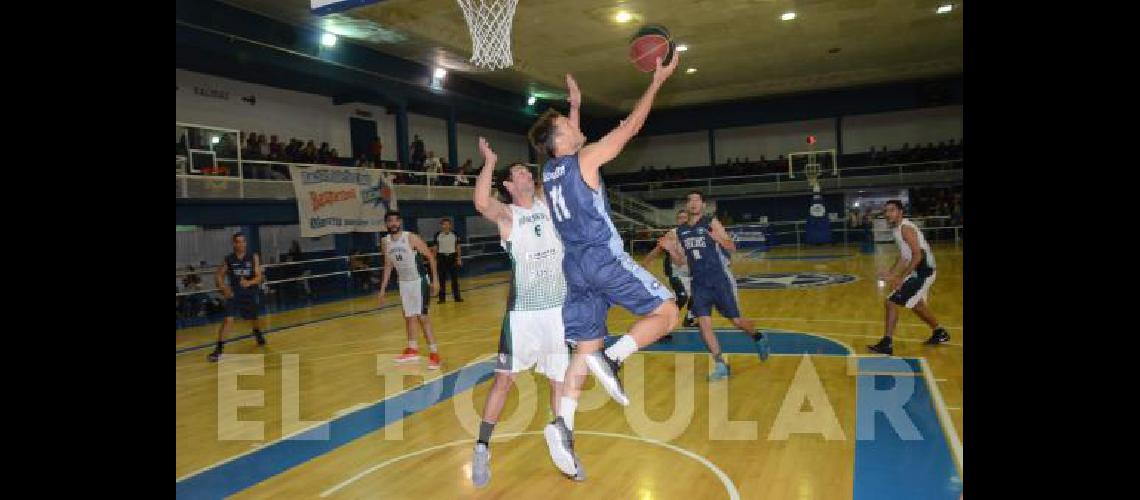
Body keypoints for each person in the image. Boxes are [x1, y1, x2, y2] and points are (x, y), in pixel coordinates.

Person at [529, 57, 681, 478]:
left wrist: (573, 107)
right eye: (569, 122)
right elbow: (630, 127)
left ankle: (562, 426)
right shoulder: (586, 160)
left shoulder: (549, 172)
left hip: (574, 269)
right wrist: (656, 82)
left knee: (584, 350)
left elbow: (567, 147)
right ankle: (615, 359)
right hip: (602, 258)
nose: (579, 127)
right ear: (560, 136)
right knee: (668, 312)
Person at [469, 137, 570, 486]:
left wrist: (573, 112)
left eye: (528, 170)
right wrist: (489, 162)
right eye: (518, 173)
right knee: (504, 380)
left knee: (560, 379)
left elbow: (570, 162)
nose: (526, 174)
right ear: (510, 186)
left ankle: (564, 445)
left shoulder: (547, 204)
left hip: (557, 310)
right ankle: (482, 446)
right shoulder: (509, 215)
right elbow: (481, 201)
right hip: (524, 313)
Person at [676, 191, 770, 380]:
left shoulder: (711, 223)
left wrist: (719, 239)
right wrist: (672, 251)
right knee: (704, 325)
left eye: (697, 200)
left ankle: (758, 336)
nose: (693, 203)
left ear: (703, 205)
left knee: (736, 321)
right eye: (690, 200)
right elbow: (681, 261)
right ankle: (720, 364)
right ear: (687, 206)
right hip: (698, 284)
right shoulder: (681, 231)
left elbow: (731, 247)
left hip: (718, 280)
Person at [868, 200, 950, 355]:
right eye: (886, 211)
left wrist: (900, 278)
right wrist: (892, 273)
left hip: (924, 272)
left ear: (900, 212)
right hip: (918, 271)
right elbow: (905, 257)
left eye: (891, 210)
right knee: (916, 305)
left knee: (891, 302)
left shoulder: (906, 228)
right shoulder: (897, 229)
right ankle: (940, 333)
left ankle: (887, 343)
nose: (887, 214)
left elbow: (918, 255)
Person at [378, 211, 443, 369]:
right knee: (409, 317)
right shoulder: (385, 242)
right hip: (404, 283)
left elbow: (430, 257)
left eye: (396, 220)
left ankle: (434, 354)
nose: (393, 223)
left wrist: (435, 280)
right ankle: (412, 349)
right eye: (390, 221)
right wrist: (382, 289)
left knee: (422, 317)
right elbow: (388, 265)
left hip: (418, 281)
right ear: (386, 224)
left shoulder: (410, 238)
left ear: (400, 222)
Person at [207, 233, 268, 362]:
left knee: (253, 318)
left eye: (243, 241)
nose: (241, 244)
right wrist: (223, 287)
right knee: (228, 320)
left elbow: (259, 277)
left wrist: (249, 282)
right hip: (234, 294)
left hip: (249, 293)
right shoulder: (229, 259)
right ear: (234, 244)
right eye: (238, 242)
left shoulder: (253, 257)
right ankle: (219, 349)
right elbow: (218, 275)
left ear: (246, 243)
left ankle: (257, 333)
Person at [642, 209, 698, 334]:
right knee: (682, 297)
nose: (682, 220)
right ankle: (663, 325)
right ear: (677, 221)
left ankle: (689, 319)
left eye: (685, 217)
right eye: (680, 218)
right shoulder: (671, 234)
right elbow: (657, 250)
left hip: (690, 271)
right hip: (674, 272)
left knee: (698, 294)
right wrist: (643, 265)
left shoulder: (694, 234)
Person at [431, 218, 463, 303]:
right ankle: (442, 299)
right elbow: (435, 248)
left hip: (452, 258)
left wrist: (459, 258)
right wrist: (434, 259)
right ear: (441, 226)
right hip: (441, 258)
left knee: (455, 279)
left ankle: (457, 297)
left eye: (447, 224)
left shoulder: (455, 234)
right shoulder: (437, 235)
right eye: (444, 224)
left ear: (450, 225)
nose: (446, 226)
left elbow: (458, 247)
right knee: (441, 279)